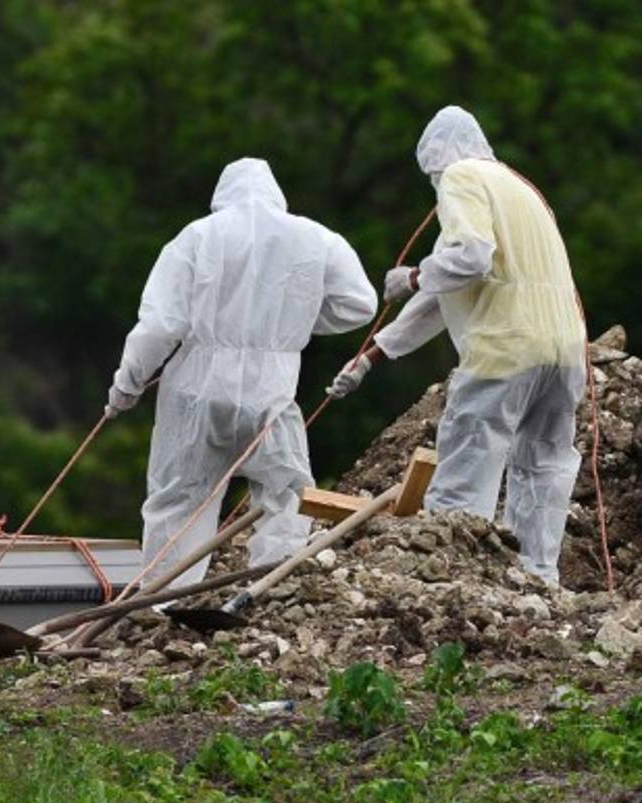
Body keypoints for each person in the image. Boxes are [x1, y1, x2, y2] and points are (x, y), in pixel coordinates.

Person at [327, 105, 586, 584]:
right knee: (543, 467)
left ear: (437, 162)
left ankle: (455, 582)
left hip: (505, 346)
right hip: (565, 351)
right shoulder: (520, 189)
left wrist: (413, 275)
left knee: (468, 461)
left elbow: (469, 259)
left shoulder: (462, 178)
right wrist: (371, 356)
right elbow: (445, 292)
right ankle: (537, 580)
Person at [106, 158, 378, 590]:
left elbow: (160, 324)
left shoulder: (197, 236)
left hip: (196, 389)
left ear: (222, 196)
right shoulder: (316, 238)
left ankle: (161, 600)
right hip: (271, 390)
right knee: (285, 492)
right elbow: (359, 303)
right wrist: (290, 320)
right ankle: (271, 589)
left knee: (178, 499)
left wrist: (127, 384)